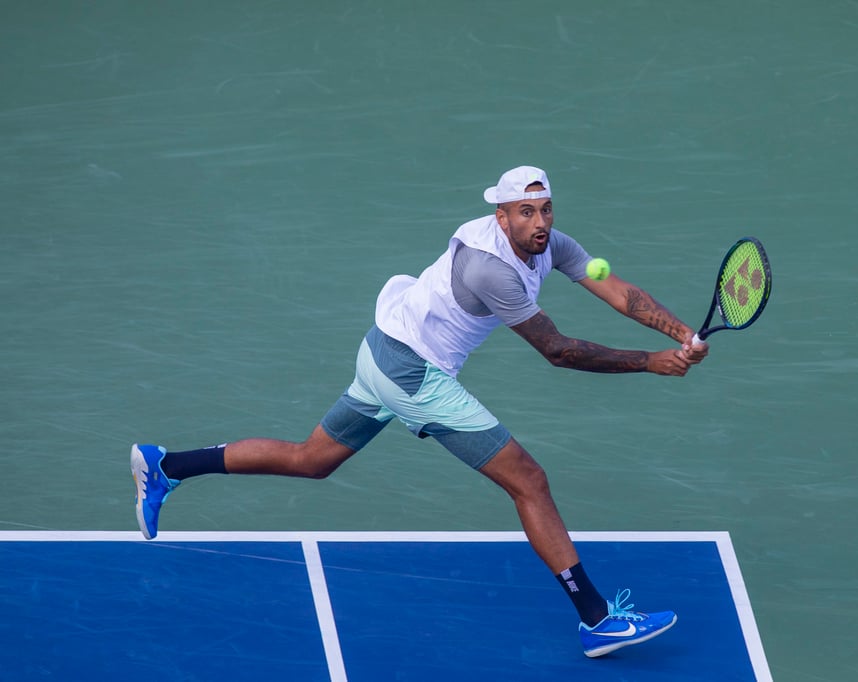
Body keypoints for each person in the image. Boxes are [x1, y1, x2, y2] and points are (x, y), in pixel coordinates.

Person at [131, 165, 709, 658]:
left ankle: (166, 466)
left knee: (312, 460)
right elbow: (556, 351)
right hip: (411, 371)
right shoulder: (492, 269)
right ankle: (596, 619)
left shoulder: (550, 245)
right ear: (501, 217)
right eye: (525, 213)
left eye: (546, 210)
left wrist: (680, 332)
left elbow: (616, 290)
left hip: (382, 348)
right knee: (529, 479)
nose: (539, 223)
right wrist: (651, 363)